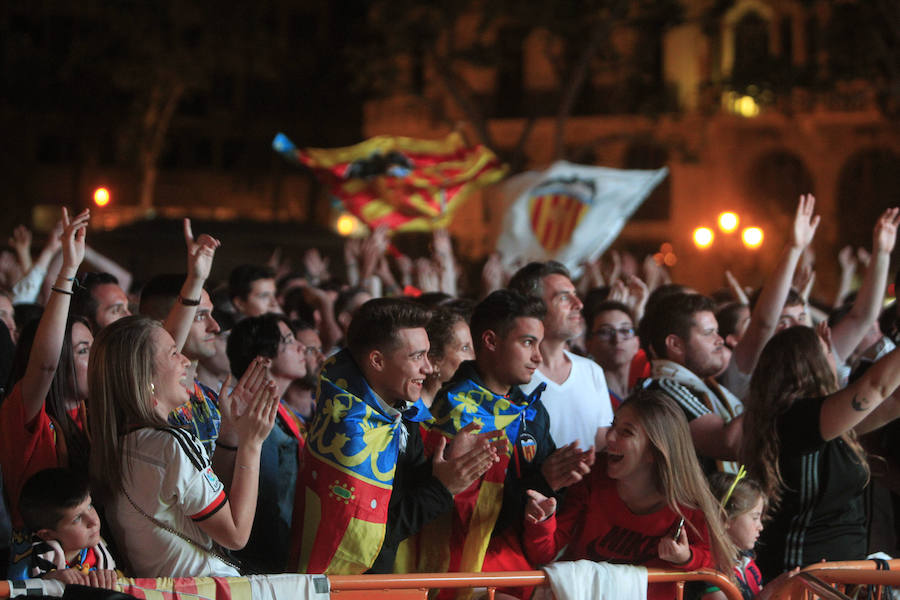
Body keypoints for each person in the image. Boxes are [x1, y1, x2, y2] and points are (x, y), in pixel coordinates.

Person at [292, 298, 500, 575]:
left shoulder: (399, 407)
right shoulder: (350, 429)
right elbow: (375, 535)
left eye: (427, 355)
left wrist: (450, 460)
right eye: (417, 357)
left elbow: (406, 488)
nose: (427, 368)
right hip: (343, 584)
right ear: (377, 360)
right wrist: (443, 487)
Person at [422, 290, 593, 590]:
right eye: (527, 342)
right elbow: (463, 516)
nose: (538, 357)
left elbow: (545, 491)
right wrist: (544, 480)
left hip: (519, 572)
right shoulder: (452, 409)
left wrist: (559, 484)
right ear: (490, 341)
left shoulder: (531, 409)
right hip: (458, 576)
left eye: (539, 344)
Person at [88, 315, 278, 577]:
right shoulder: (171, 443)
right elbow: (235, 534)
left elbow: (209, 503)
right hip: (207, 589)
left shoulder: (119, 444)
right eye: (174, 354)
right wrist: (252, 443)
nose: (186, 361)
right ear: (145, 375)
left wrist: (230, 435)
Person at [523, 390, 735, 600]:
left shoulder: (688, 502)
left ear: (655, 450)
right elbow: (544, 553)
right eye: (613, 425)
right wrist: (543, 520)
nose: (610, 436)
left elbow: (714, 561)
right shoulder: (592, 477)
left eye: (626, 432)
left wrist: (685, 557)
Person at [742, 324, 900, 581]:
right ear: (810, 363)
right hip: (801, 578)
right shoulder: (795, 418)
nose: (835, 357)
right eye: (828, 350)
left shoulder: (829, 421)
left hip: (838, 577)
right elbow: (875, 387)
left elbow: (893, 400)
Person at [0, 208, 90, 529]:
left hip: (95, 560)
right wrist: (67, 269)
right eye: (83, 350)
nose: (95, 358)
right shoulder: (24, 416)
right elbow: (45, 364)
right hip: (41, 565)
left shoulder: (91, 411)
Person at [225, 313, 310, 574]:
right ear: (264, 359)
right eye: (288, 340)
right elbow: (265, 503)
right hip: (266, 564)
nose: (301, 347)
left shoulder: (281, 411)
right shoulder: (252, 419)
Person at [510, 261, 613, 450]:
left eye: (576, 295)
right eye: (564, 298)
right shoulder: (510, 378)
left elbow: (601, 448)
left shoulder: (592, 371)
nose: (579, 304)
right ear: (534, 308)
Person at [639, 292, 743, 474]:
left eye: (717, 332)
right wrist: (770, 389)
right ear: (675, 345)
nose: (720, 340)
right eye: (708, 333)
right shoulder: (665, 388)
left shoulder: (704, 385)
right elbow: (728, 444)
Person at [18, 468, 117, 590]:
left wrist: (109, 578)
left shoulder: (99, 551)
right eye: (77, 518)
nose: (94, 521)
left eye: (90, 506)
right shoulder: (29, 556)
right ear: (47, 534)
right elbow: (14, 589)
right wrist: (48, 580)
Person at [584, 300, 641, 409]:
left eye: (625, 331)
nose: (617, 339)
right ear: (589, 344)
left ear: (637, 342)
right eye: (605, 332)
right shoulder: (587, 395)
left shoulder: (647, 390)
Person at [420, 307, 474, 407]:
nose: (474, 356)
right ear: (433, 362)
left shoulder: (464, 403)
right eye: (465, 348)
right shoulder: (413, 415)